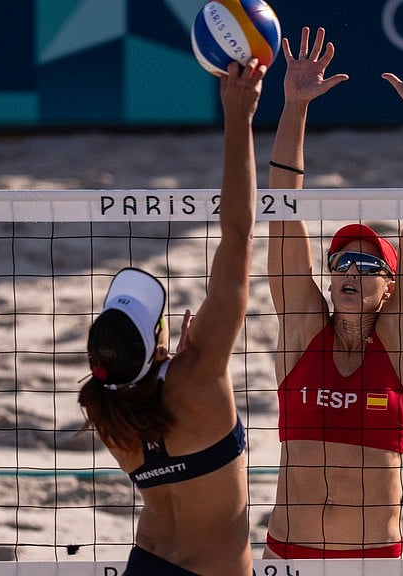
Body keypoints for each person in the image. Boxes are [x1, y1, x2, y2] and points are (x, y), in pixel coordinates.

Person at [263, 27, 403, 559]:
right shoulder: (302, 330)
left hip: (372, 560)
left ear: (389, 287)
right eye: (339, 262)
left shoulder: (399, 344)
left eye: (365, 263)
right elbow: (283, 208)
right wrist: (293, 106)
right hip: (289, 555)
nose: (348, 271)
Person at [78, 58, 268, 576]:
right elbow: (238, 233)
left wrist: (175, 358)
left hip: (149, 565)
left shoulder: (106, 413)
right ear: (160, 337)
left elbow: (145, 391)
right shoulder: (201, 374)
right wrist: (239, 119)